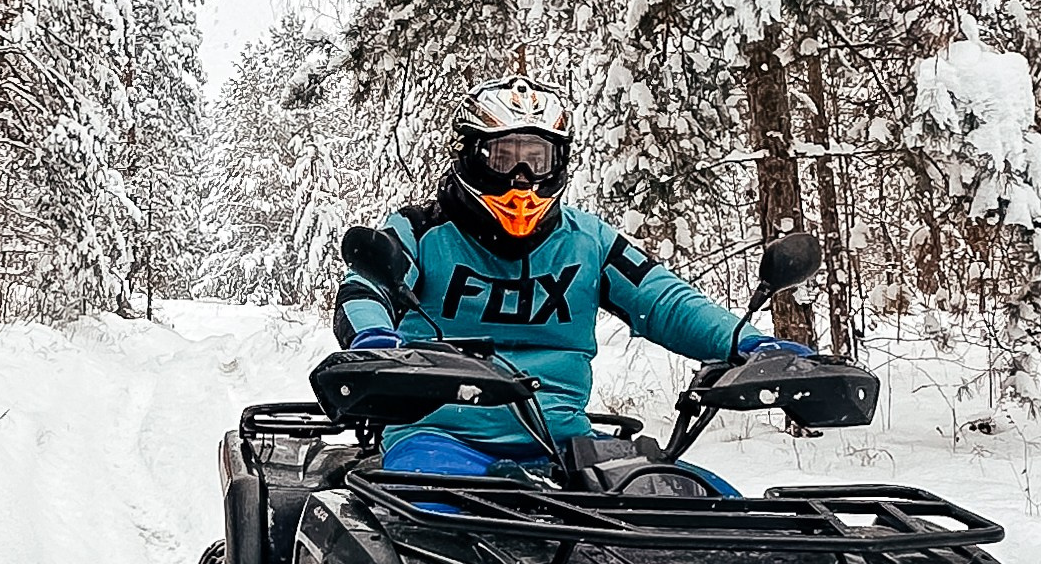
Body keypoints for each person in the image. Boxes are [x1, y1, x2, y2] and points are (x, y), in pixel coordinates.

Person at [335, 76, 793, 479]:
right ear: (470, 155)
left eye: (536, 159)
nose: (521, 179)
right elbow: (367, 287)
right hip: (438, 437)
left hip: (566, 445)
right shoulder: (420, 230)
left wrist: (752, 345)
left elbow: (665, 301)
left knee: (708, 508)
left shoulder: (586, 240)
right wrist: (374, 339)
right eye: (503, 157)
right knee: (434, 528)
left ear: (560, 162)